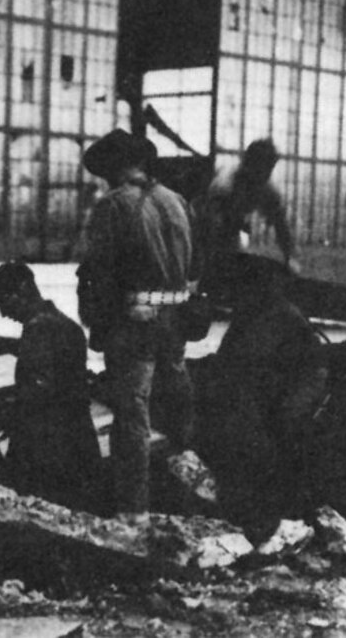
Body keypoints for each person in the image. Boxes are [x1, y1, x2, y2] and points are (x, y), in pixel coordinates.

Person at [78, 129, 197, 521]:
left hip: (134, 323)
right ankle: (188, 498)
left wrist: (98, 323)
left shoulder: (113, 206)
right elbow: (195, 267)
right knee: (176, 406)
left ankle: (133, 510)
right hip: (176, 320)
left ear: (114, 167)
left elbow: (100, 273)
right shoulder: (177, 202)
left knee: (132, 416)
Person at [201, 253, 328, 541]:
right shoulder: (257, 311)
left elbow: (239, 364)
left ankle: (277, 510)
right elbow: (230, 361)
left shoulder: (272, 314)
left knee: (264, 435)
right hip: (285, 382)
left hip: (301, 386)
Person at [0, 261, 105, 513]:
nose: (3, 313)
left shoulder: (39, 329)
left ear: (21, 291)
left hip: (50, 448)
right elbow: (56, 384)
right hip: (77, 442)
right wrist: (3, 395)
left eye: (3, 302)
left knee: (9, 509)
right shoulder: (65, 323)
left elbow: (40, 395)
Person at [194, 139, 299, 302]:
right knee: (211, 268)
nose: (265, 174)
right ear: (248, 164)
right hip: (201, 224)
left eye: (269, 169)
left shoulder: (266, 189)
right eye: (261, 168)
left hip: (228, 226)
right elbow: (210, 227)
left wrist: (289, 257)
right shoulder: (225, 185)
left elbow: (281, 225)